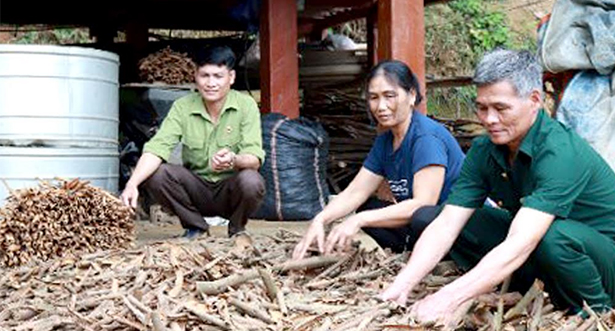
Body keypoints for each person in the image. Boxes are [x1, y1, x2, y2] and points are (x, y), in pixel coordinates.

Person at [381, 49, 615, 326]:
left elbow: (524, 239)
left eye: (501, 108)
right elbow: (448, 222)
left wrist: (449, 297)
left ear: (534, 100)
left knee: (552, 237)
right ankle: (522, 285)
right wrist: (402, 285)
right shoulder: (486, 149)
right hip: (543, 247)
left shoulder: (559, 152)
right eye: (482, 107)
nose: (489, 119)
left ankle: (593, 312)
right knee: (432, 216)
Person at [293, 60, 465, 259]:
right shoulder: (386, 141)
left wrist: (358, 220)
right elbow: (356, 192)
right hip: (428, 225)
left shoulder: (426, 138)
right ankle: (414, 253)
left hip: (460, 224)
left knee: (421, 216)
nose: (381, 106)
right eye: (373, 98)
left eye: (389, 96)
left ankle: (444, 257)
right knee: (369, 207)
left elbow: (423, 203)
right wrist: (320, 220)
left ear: (412, 96)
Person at [120, 46, 265, 238]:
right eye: (205, 75)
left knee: (251, 180)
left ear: (231, 77)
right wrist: (132, 184)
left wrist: (234, 159)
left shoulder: (246, 105)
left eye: (218, 76)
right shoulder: (183, 106)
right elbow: (156, 148)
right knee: (157, 174)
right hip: (196, 190)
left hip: (230, 190)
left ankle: (237, 229)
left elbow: (254, 158)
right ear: (195, 76)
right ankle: (196, 227)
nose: (211, 83)